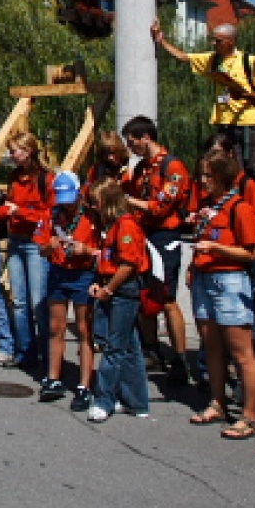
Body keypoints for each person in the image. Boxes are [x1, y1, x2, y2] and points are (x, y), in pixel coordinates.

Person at [186, 149, 255, 439]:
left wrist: (216, 249)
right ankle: (217, 402)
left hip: (229, 280)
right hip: (205, 278)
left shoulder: (239, 207)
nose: (203, 181)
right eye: (202, 175)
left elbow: (250, 252)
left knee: (241, 351)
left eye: (208, 176)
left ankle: (250, 414)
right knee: (212, 346)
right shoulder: (209, 206)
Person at [121, 116, 194, 385]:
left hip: (165, 236)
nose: (131, 149)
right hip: (145, 234)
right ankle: (151, 349)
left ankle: (179, 356)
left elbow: (161, 205)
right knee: (145, 294)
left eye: (133, 143)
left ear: (146, 138)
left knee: (167, 297)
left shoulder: (171, 166)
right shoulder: (141, 167)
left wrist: (130, 202)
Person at [153, 20, 255, 180]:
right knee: (232, 168)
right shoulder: (213, 59)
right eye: (213, 39)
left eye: (218, 40)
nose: (213, 43)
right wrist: (161, 39)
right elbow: (183, 57)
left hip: (250, 122)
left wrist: (243, 95)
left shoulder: (249, 61)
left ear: (230, 41)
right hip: (226, 122)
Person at [87, 179, 151, 421]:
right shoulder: (114, 225)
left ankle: (104, 399)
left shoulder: (126, 226)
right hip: (113, 285)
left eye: (96, 202)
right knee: (130, 347)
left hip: (123, 290)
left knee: (113, 347)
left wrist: (109, 289)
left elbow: (128, 265)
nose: (94, 207)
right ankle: (137, 401)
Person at [0, 132, 50, 372]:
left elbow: (48, 214)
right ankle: (26, 352)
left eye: (15, 151)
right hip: (16, 240)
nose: (12, 155)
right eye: (11, 151)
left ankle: (48, 355)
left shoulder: (45, 178)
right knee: (20, 301)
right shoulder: (15, 177)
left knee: (38, 301)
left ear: (29, 151)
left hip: (35, 242)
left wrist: (19, 212)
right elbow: (10, 206)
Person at [40, 171, 96, 410]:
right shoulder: (52, 215)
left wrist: (87, 250)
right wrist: (49, 247)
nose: (67, 205)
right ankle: (54, 378)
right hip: (58, 273)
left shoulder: (91, 216)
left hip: (83, 275)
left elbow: (102, 251)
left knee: (84, 328)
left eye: (70, 199)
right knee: (56, 326)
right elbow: (40, 247)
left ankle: (85, 384)